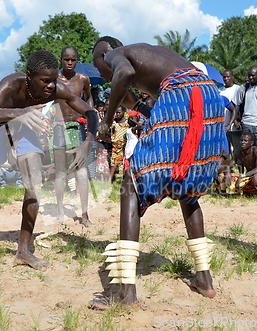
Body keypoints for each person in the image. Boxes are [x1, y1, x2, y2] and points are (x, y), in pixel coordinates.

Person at [90, 36, 226, 309]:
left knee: (131, 182)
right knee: (186, 183)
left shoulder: (116, 55)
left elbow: (124, 73)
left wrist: (106, 121)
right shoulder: (154, 55)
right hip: (208, 95)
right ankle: (205, 279)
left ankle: (125, 293)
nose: (105, 78)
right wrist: (137, 106)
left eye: (101, 69)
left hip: (183, 94)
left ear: (104, 55)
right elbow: (169, 98)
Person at [0, 50, 98, 269]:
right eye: (44, 81)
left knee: (34, 185)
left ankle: (23, 250)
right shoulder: (12, 84)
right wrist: (20, 113)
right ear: (29, 76)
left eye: (53, 81)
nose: (51, 86)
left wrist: (88, 140)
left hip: (25, 126)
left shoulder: (58, 89)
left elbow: (90, 112)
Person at [53, 46, 94, 225]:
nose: (69, 63)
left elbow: (89, 97)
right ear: (61, 59)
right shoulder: (54, 79)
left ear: (77, 60)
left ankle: (84, 215)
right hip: (59, 128)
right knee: (61, 172)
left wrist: (90, 112)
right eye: (66, 59)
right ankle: (61, 211)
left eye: (73, 59)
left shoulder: (83, 79)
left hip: (77, 127)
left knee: (82, 172)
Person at [232, 131, 257, 198]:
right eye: (241, 140)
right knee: (224, 175)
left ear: (251, 143)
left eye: (245, 141)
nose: (243, 142)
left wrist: (243, 176)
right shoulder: (238, 152)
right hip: (247, 178)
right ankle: (222, 191)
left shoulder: (256, 151)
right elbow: (229, 165)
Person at [104, 106, 129, 183]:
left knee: (125, 162)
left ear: (124, 112)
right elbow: (109, 131)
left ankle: (125, 180)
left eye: (119, 112)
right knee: (114, 163)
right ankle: (109, 180)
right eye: (116, 113)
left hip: (125, 145)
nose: (117, 114)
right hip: (116, 146)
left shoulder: (128, 122)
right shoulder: (114, 122)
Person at [221, 70, 241, 154]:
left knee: (238, 150)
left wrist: (237, 120)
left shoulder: (238, 89)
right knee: (226, 151)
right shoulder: (220, 91)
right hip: (224, 126)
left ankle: (240, 167)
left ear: (232, 77)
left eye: (228, 76)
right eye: (224, 77)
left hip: (235, 126)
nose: (226, 79)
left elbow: (240, 106)